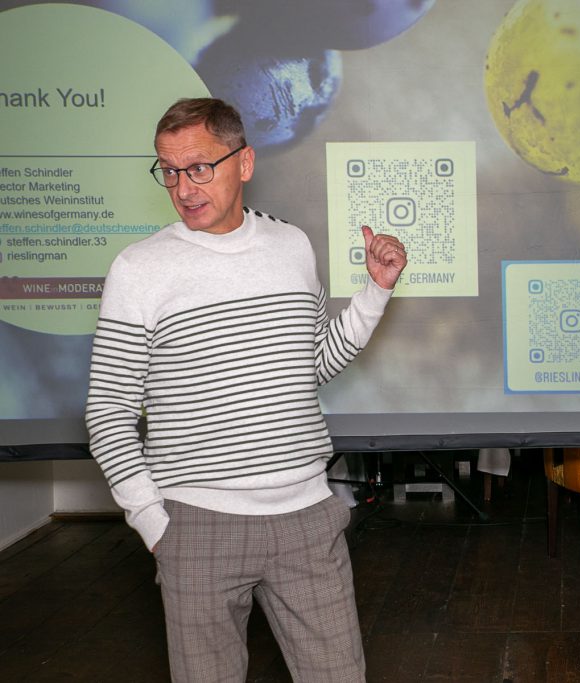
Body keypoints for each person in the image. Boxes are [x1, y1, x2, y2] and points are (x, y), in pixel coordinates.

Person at [85, 97, 407, 682]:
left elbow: (310, 364)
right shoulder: (139, 269)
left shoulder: (292, 247)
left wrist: (374, 292)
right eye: (170, 170)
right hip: (197, 524)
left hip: (307, 518)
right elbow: (108, 409)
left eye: (200, 167)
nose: (184, 187)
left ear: (245, 162)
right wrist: (152, 522)